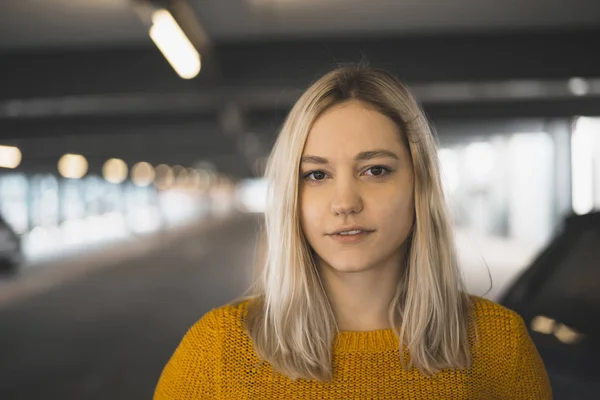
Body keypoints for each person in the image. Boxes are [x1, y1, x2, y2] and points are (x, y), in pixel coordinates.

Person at [153, 65, 552, 399]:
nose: (345, 202)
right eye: (317, 175)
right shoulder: (216, 353)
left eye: (375, 170)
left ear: (420, 184)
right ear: (292, 196)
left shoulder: (501, 348)